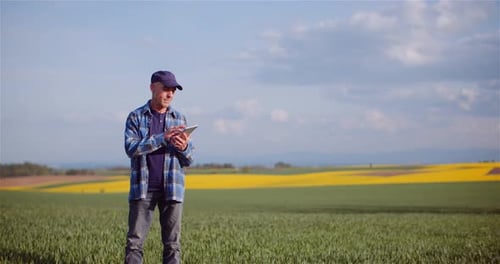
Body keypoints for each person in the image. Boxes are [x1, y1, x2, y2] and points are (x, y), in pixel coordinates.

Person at [124, 70, 194, 264]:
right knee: (134, 244)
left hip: (172, 188)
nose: (170, 94)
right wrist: (162, 138)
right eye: (166, 89)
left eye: (173, 90)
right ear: (152, 87)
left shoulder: (180, 118)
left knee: (172, 245)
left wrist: (184, 147)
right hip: (143, 188)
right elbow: (131, 148)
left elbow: (189, 160)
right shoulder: (135, 117)